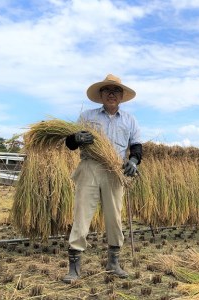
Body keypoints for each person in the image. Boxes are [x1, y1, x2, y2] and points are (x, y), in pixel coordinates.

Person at [63, 74, 142, 283]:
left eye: (115, 91)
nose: (111, 94)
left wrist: (133, 161)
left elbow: (136, 147)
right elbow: (70, 143)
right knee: (81, 214)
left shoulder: (129, 120)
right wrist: (76, 138)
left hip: (115, 170)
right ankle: (74, 267)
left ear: (122, 96)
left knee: (114, 217)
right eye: (107, 90)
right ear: (100, 95)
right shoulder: (87, 117)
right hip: (89, 167)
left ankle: (113, 262)